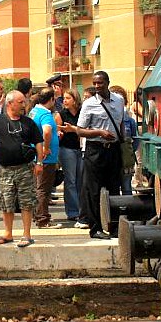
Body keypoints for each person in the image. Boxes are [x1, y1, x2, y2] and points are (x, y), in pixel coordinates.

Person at [58, 71, 125, 240]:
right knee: (93, 191)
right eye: (94, 83)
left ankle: (114, 226)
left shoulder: (119, 100)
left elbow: (121, 122)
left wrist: (122, 141)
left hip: (114, 149)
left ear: (107, 83)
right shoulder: (89, 104)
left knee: (114, 189)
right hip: (95, 150)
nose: (96, 86)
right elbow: (80, 130)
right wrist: (99, 132)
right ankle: (95, 228)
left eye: (100, 83)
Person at [0, 91, 43, 248]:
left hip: (25, 168)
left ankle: (26, 234)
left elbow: (38, 142)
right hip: (5, 169)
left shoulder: (28, 122)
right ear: (10, 103)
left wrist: (39, 163)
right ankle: (8, 233)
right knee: (6, 201)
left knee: (26, 201)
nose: (24, 105)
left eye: (24, 102)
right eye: (20, 102)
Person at [29, 88, 63, 229]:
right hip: (46, 158)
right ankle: (43, 219)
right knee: (44, 189)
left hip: (35, 156)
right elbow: (47, 131)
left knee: (37, 187)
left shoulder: (33, 112)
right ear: (51, 100)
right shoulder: (45, 114)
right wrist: (46, 147)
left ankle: (36, 215)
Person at [56, 89, 87, 226]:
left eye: (68, 98)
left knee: (81, 180)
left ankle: (82, 210)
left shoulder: (82, 112)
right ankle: (73, 211)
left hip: (81, 149)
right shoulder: (61, 114)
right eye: (64, 98)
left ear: (75, 100)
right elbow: (57, 129)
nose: (65, 101)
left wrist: (73, 129)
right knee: (70, 180)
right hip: (67, 149)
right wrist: (60, 132)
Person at [110, 86, 140, 195]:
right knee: (113, 185)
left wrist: (129, 151)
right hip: (111, 157)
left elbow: (135, 139)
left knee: (126, 185)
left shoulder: (130, 121)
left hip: (125, 159)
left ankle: (128, 207)